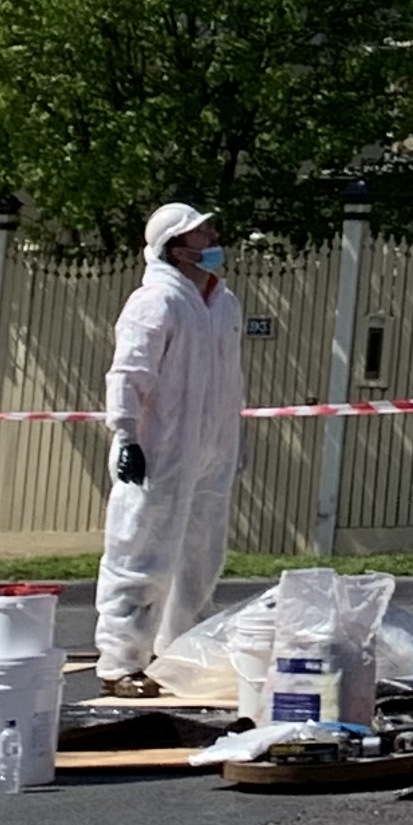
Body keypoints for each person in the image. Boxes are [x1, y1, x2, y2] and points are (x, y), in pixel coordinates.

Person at [95, 200, 246, 696]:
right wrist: (126, 435)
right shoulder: (155, 301)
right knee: (140, 551)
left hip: (210, 452)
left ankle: (180, 655)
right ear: (175, 247)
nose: (214, 238)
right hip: (159, 450)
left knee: (199, 557)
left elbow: (230, 381)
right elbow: (129, 372)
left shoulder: (222, 303)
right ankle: (120, 662)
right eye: (201, 233)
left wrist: (231, 440)